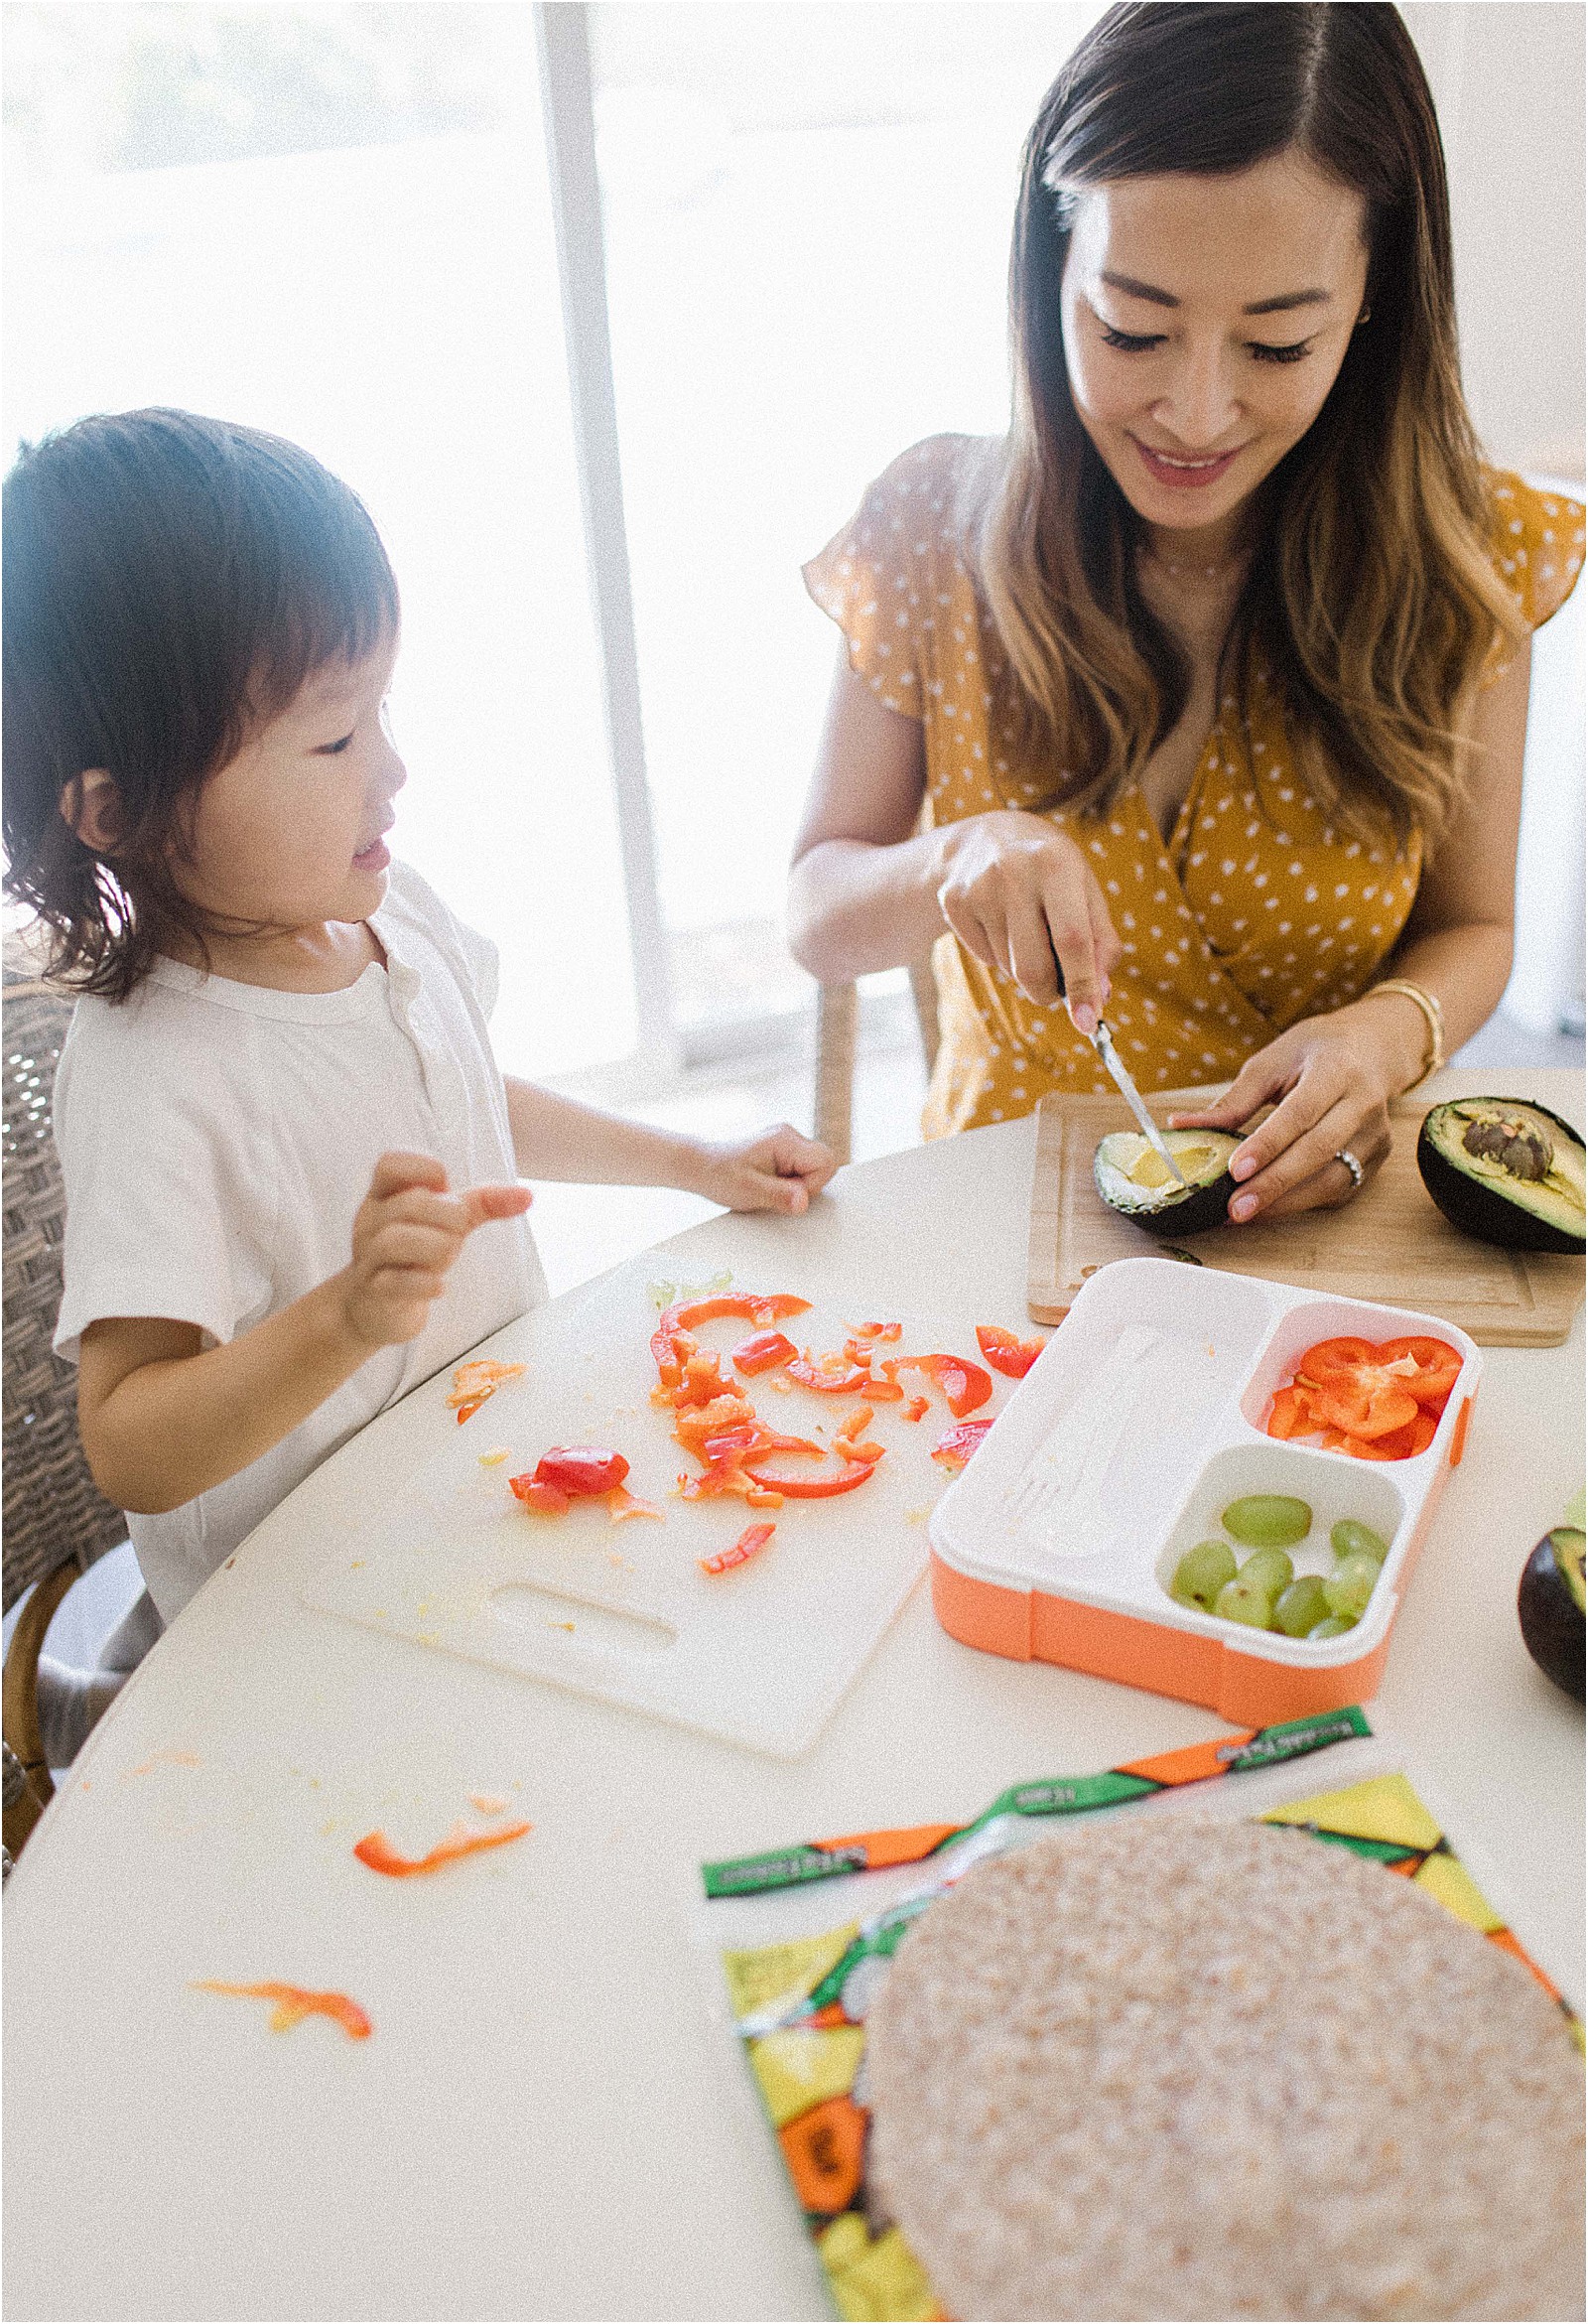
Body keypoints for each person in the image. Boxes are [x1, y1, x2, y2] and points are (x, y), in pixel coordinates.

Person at [3, 408, 834, 1755]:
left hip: (482, 1514)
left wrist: (692, 1161)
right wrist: (342, 1316)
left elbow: (463, 1099)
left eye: (380, 709)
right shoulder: (154, 1075)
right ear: (116, 813)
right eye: (332, 740)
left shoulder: (388, 918)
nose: (392, 767)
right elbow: (131, 1440)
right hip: (302, 1644)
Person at [788, 1, 1583, 1225]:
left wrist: (1383, 1033)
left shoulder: (1472, 552)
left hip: (1332, 1224)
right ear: (1049, 265)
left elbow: (1474, 928)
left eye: (1276, 345)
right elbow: (817, 917)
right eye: (1132, 330)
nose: (1196, 413)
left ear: (1372, 302)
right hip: (1002, 1217)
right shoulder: (930, 526)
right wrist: (957, 853)